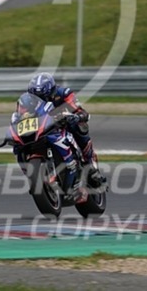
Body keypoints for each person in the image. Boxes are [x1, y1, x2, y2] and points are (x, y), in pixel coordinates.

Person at [27, 72, 106, 200]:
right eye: (37, 96)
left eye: (43, 96)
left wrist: (77, 116)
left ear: (52, 91)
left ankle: (91, 166)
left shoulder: (64, 93)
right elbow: (22, 115)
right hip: (44, 128)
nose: (41, 99)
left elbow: (80, 110)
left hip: (64, 123)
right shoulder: (29, 101)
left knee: (79, 127)